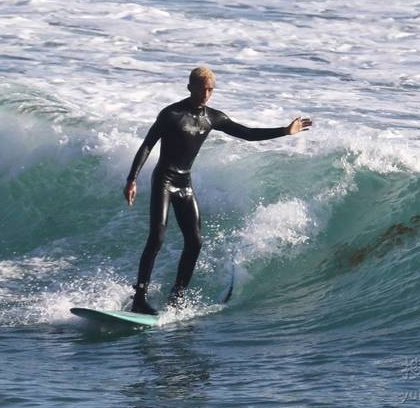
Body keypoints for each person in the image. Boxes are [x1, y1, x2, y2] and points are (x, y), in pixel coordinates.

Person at [123, 67, 312, 315]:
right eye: (202, 88)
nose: (206, 94)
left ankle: (177, 297)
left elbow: (247, 133)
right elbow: (148, 144)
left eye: (211, 89)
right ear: (190, 87)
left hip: (184, 183)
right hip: (164, 180)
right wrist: (132, 179)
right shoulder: (171, 114)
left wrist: (285, 131)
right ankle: (140, 297)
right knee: (157, 237)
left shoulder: (213, 117)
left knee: (195, 242)